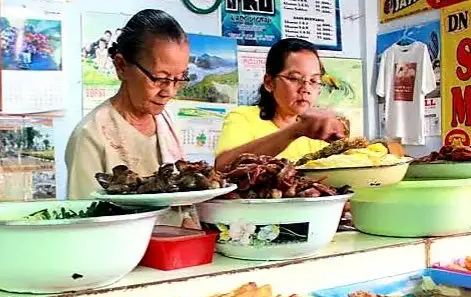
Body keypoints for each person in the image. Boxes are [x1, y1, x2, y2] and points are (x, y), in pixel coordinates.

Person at [66, 9, 198, 228]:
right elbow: (85, 222)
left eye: (179, 79)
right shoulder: (91, 134)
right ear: (121, 66)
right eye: (160, 79)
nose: (170, 92)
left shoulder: (165, 120)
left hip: (175, 252)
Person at [214, 38, 346, 171]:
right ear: (269, 83)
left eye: (313, 80)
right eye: (294, 78)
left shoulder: (318, 128)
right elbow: (221, 167)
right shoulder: (243, 118)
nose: (306, 88)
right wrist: (294, 131)